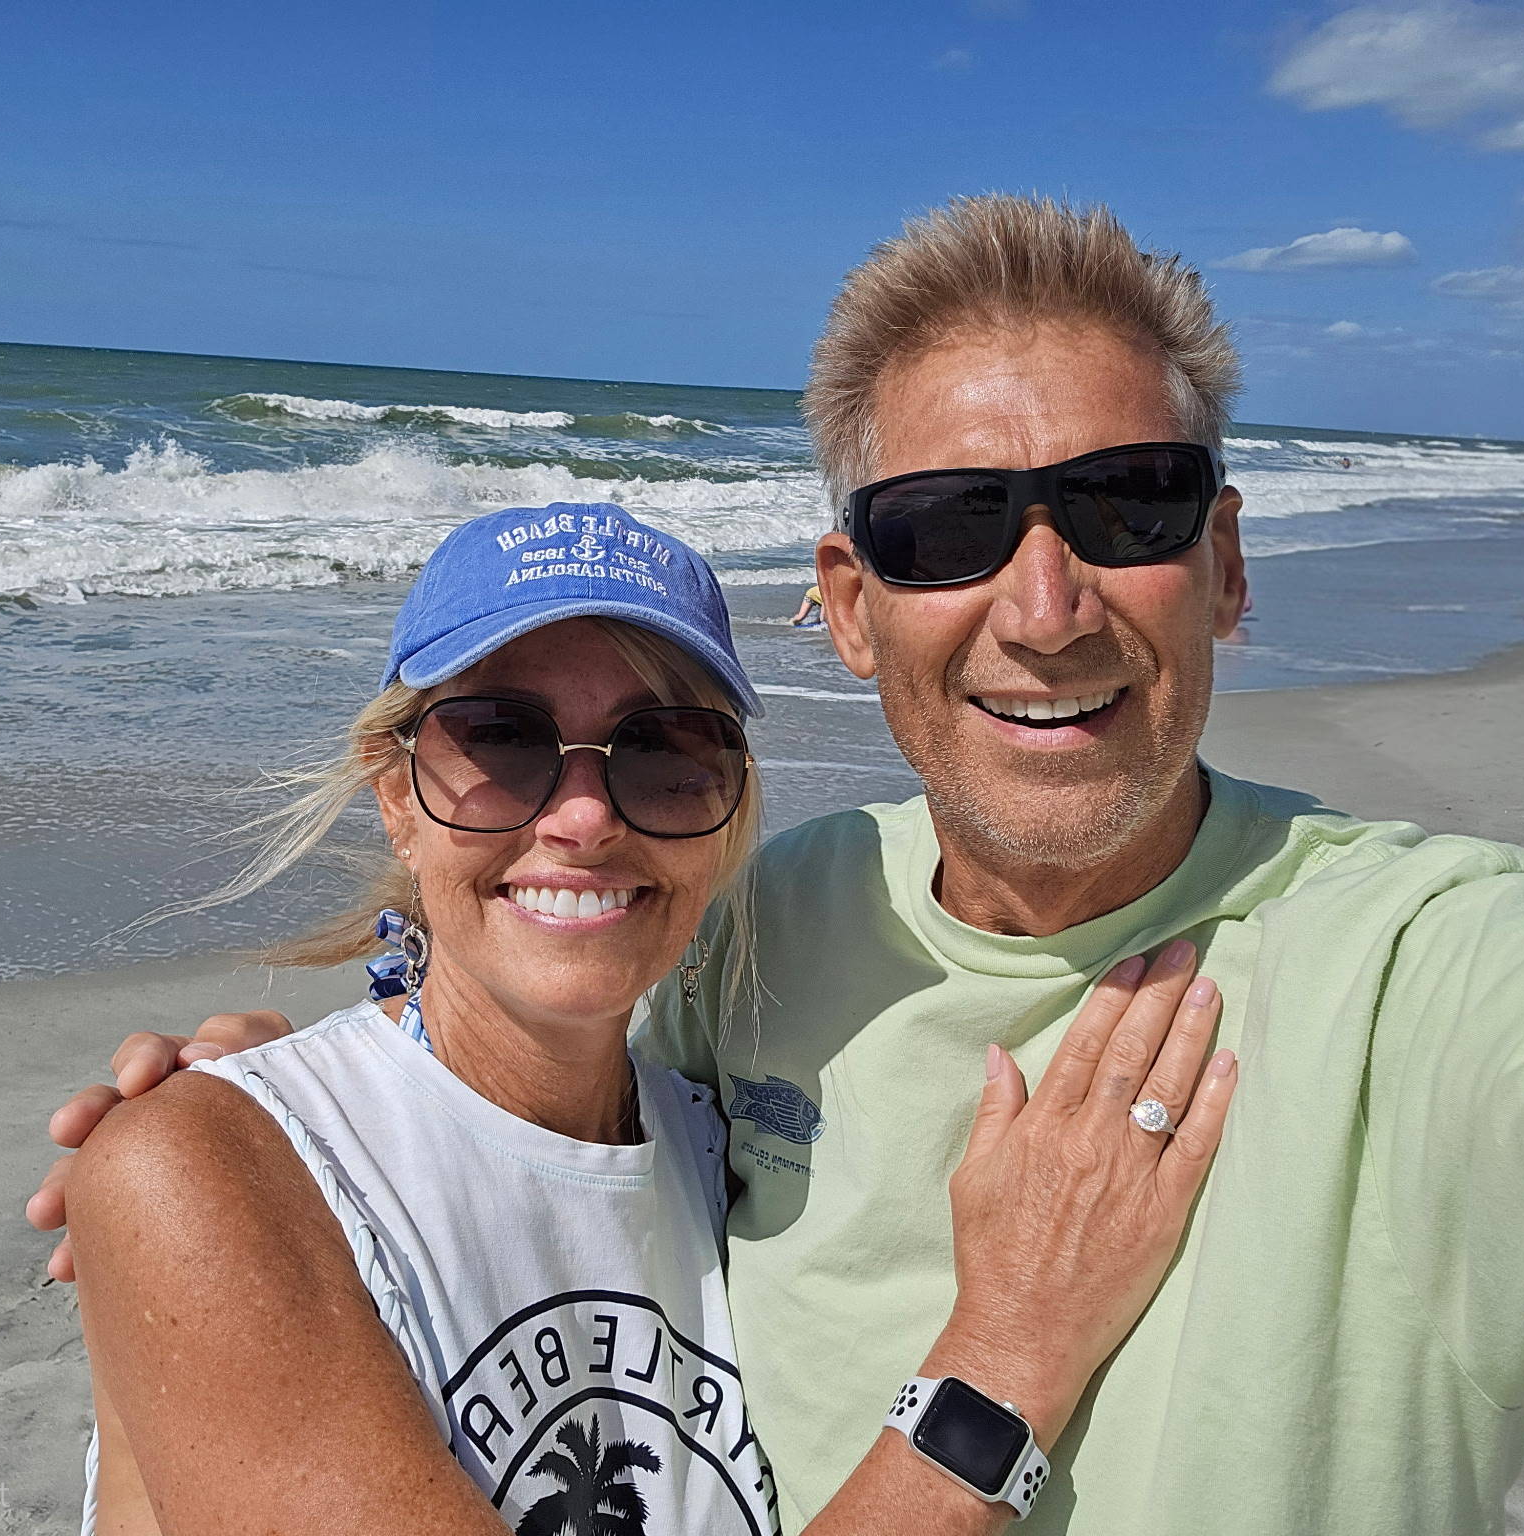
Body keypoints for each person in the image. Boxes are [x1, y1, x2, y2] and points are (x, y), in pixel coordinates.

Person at [38, 196, 1524, 1535]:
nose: (1047, 608)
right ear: (853, 607)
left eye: (1129, 505)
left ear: (1224, 565)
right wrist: (252, 1133)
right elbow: (462, 1107)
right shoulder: (777, 940)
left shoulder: (1449, 967)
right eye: (950, 528)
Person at [61, 501, 1238, 1536]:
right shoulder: (208, 1167)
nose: (582, 818)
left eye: (663, 752)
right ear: (397, 797)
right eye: (501, 738)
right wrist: (1010, 1354)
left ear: (726, 812)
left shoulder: (718, 1143)